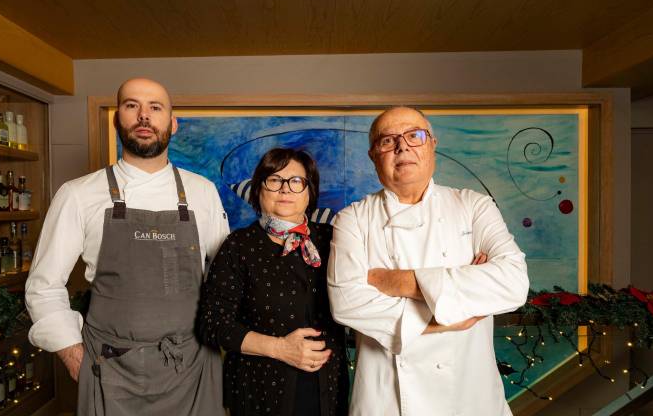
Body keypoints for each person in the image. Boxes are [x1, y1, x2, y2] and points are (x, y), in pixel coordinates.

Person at [25, 78, 228, 415]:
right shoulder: (78, 194)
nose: (144, 116)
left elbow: (225, 281)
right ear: (118, 119)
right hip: (109, 371)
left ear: (172, 124)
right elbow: (43, 286)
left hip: (192, 368)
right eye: (132, 106)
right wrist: (74, 355)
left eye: (155, 107)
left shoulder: (202, 192)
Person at [327, 106, 529, 416]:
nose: (402, 146)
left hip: (469, 396)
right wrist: (452, 307)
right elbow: (347, 302)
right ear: (373, 155)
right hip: (388, 401)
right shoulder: (352, 219)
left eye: (414, 136)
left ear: (432, 144)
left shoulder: (474, 206)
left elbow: (513, 283)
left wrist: (390, 280)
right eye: (388, 140)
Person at [197, 148, 349, 416]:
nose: (285, 190)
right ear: (258, 190)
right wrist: (280, 348)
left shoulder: (333, 239)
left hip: (328, 391)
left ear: (309, 191)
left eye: (296, 181)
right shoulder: (239, 246)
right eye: (275, 180)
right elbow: (212, 324)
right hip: (260, 391)